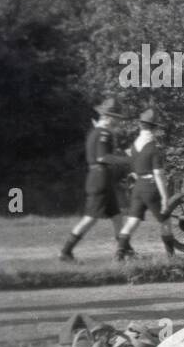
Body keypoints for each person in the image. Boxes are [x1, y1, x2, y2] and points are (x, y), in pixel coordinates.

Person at [59, 99, 129, 262]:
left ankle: (123, 252)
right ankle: (66, 251)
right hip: (100, 179)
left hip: (101, 178)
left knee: (117, 217)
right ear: (109, 116)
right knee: (90, 218)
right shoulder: (103, 133)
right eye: (117, 117)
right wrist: (126, 160)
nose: (118, 121)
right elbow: (103, 156)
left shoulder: (97, 132)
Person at [115, 109, 174, 260]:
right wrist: (165, 198)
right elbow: (159, 175)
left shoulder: (134, 146)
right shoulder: (153, 148)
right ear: (154, 128)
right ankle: (171, 257)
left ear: (141, 126)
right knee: (165, 221)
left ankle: (119, 255)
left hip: (138, 187)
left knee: (132, 221)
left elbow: (134, 168)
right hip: (151, 186)